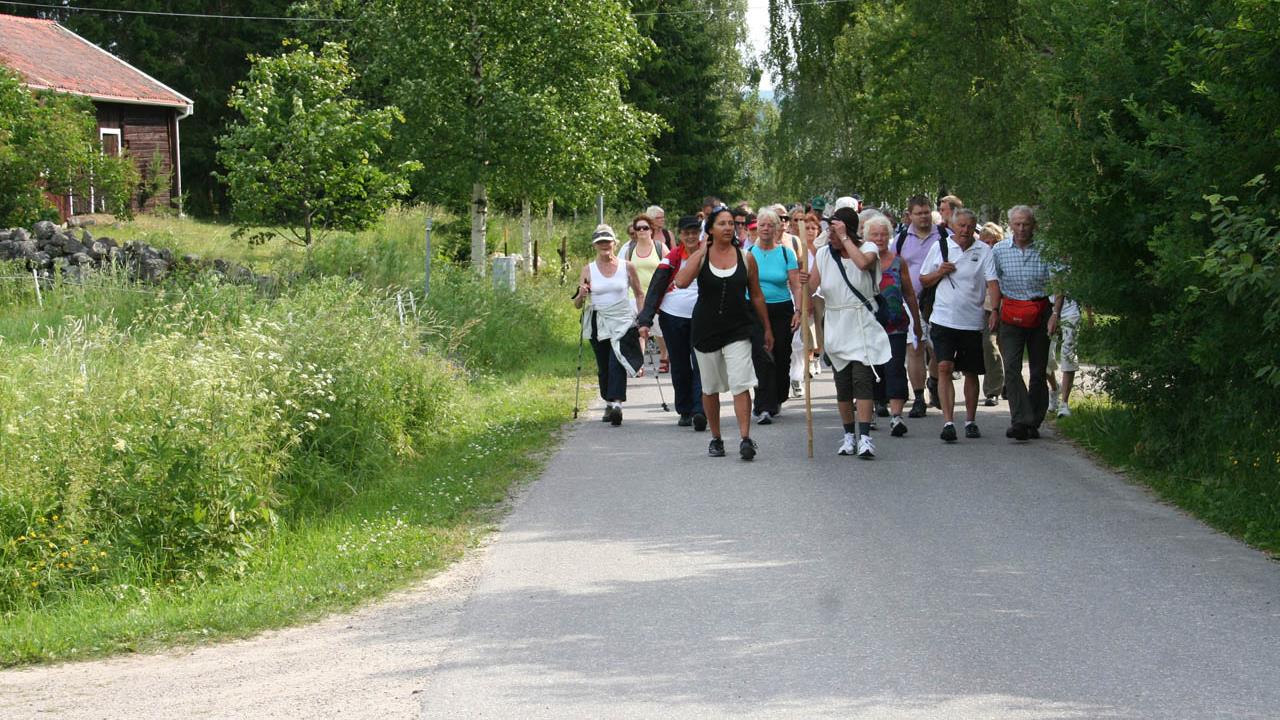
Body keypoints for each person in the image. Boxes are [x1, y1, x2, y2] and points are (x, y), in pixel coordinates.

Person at [674, 207, 773, 460]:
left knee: (741, 383)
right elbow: (681, 282)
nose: (729, 228)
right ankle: (716, 438)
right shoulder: (701, 256)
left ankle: (745, 439)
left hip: (738, 329)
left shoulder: (746, 257)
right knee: (710, 388)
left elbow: (757, 294)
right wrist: (701, 251)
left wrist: (767, 329)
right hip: (705, 330)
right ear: (710, 229)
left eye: (731, 223)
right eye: (722, 224)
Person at [805, 207, 891, 458]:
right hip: (836, 324)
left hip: (862, 322)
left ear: (849, 230)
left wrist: (844, 238)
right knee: (843, 386)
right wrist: (802, 284)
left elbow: (863, 265)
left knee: (862, 381)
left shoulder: (868, 249)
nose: (830, 235)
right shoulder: (823, 254)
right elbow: (811, 287)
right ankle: (848, 436)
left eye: (836, 230)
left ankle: (865, 437)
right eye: (830, 230)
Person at [919, 209, 997, 442]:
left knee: (971, 370)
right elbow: (923, 279)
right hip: (943, 318)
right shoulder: (941, 247)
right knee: (944, 366)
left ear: (975, 228)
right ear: (953, 226)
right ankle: (948, 422)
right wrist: (939, 272)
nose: (965, 230)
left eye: (969, 226)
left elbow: (992, 282)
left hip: (972, 320)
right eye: (961, 225)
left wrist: (995, 311)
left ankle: (971, 420)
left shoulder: (983, 251)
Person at [989, 205, 1054, 440]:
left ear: (1033, 225)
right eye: (1017, 224)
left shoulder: (1047, 249)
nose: (1021, 228)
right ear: (1010, 225)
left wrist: (1055, 313)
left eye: (1026, 224)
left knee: (1038, 370)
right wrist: (994, 310)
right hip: (1012, 312)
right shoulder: (999, 250)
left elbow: (1058, 281)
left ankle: (1034, 420)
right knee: (1012, 367)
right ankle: (1020, 420)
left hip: (1040, 310)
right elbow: (993, 281)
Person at [636, 215, 707, 431]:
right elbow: (656, 287)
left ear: (700, 234)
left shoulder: (709, 255)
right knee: (680, 364)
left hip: (702, 318)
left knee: (702, 364)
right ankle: (684, 410)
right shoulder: (673, 257)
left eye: (695, 232)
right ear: (681, 235)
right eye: (687, 233)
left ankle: (699, 411)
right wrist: (645, 320)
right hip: (672, 316)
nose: (691, 236)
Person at [572, 224, 646, 426]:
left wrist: (642, 319)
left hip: (622, 320)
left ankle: (617, 404)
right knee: (604, 365)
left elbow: (639, 294)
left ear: (615, 243)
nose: (604, 245)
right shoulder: (588, 269)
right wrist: (581, 294)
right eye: (600, 241)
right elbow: (578, 304)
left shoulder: (627, 266)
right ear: (595, 245)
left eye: (607, 241)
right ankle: (608, 400)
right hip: (598, 321)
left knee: (617, 361)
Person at [863, 213, 922, 437]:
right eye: (874, 234)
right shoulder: (862, 261)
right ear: (867, 237)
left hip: (896, 324)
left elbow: (908, 293)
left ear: (890, 235)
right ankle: (875, 408)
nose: (879, 238)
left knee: (895, 367)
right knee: (872, 369)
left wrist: (916, 322)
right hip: (868, 325)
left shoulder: (898, 262)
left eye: (883, 234)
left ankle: (897, 417)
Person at [896, 195, 948, 418]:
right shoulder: (899, 240)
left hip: (940, 302)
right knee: (915, 348)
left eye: (927, 212)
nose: (924, 217)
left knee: (939, 350)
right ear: (910, 215)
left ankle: (934, 381)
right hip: (910, 302)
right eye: (919, 213)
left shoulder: (945, 236)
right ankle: (918, 398)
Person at [748, 208, 802, 423]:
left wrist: (798, 310)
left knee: (781, 354)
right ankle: (763, 406)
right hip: (755, 309)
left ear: (778, 229)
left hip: (782, 309)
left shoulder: (785, 253)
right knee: (762, 356)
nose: (766, 229)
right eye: (762, 225)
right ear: (757, 228)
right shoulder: (749, 253)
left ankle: (778, 396)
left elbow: (796, 285)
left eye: (771, 225)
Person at [619, 214, 670, 372]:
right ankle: (638, 363)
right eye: (638, 228)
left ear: (651, 230)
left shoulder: (660, 247)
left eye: (645, 228)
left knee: (658, 329)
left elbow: (670, 269)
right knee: (638, 329)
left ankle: (664, 355)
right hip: (634, 295)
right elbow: (625, 272)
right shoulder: (630, 249)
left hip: (656, 295)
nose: (641, 230)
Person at [978, 222, 1005, 405]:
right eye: (985, 241)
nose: (989, 245)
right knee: (989, 345)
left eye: (993, 241)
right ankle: (993, 390)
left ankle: (1008, 384)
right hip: (987, 308)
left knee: (1008, 348)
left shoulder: (1004, 256)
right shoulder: (978, 257)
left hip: (1010, 306)